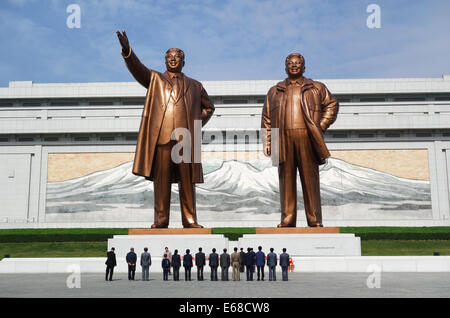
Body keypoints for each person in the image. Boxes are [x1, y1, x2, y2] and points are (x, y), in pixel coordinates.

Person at [116, 31, 215, 229]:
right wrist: (127, 51)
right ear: (165, 61)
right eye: (169, 57)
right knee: (161, 182)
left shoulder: (195, 85)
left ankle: (190, 220)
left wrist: (194, 123)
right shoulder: (155, 80)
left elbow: (209, 108)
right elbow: (138, 69)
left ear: (183, 62)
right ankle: (161, 220)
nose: (173, 59)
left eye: (177, 57)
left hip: (185, 139)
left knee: (187, 182)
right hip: (161, 138)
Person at [261, 53, 339, 227]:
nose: (294, 65)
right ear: (285, 67)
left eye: (298, 63)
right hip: (282, 139)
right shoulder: (275, 90)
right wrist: (268, 142)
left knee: (310, 180)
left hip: (307, 138)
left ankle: (315, 220)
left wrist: (321, 125)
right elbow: (266, 118)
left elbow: (332, 104)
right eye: (290, 63)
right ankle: (287, 219)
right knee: (285, 180)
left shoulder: (316, 87)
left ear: (304, 67)